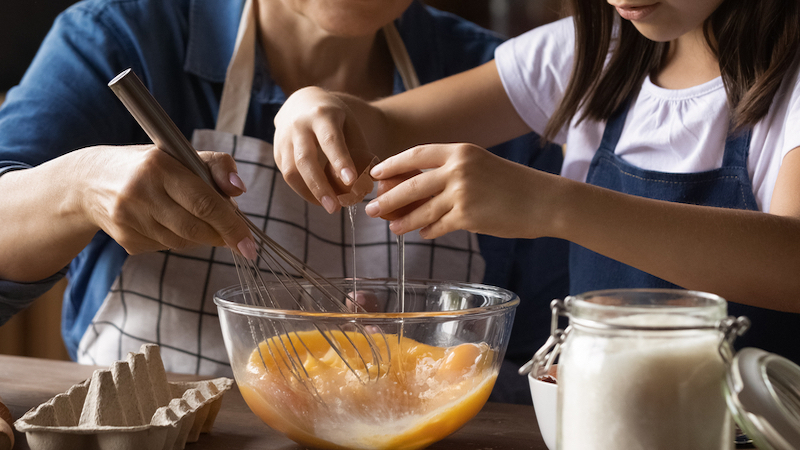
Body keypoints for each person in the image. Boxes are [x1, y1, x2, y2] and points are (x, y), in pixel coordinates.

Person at [0, 0, 567, 402]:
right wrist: (77, 186)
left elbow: (541, 355)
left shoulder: (508, 89)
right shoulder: (123, 36)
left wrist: (412, 362)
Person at [273, 0, 800, 363]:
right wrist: (321, 106)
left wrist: (551, 204)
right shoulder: (590, 54)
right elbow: (386, 126)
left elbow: (790, 262)